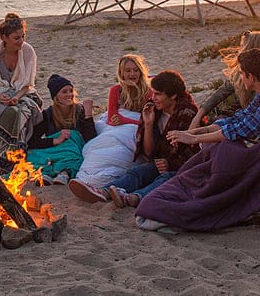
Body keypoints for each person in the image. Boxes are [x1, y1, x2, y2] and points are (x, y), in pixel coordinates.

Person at [135, 49, 260, 231]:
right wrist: (192, 134)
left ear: (251, 77)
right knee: (219, 154)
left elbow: (240, 130)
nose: (240, 77)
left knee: (226, 156)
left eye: (242, 73)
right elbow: (236, 120)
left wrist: (191, 139)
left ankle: (196, 205)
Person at [70, 71, 199, 205]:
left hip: (182, 167)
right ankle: (104, 192)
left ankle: (133, 198)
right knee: (137, 171)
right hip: (160, 163)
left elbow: (193, 155)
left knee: (165, 179)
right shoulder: (153, 109)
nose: (153, 97)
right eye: (153, 93)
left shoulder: (187, 114)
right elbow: (149, 152)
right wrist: (148, 125)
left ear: (173, 95)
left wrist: (169, 164)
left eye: (158, 94)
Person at [189, 31, 260, 130]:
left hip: (258, 121)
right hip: (244, 115)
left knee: (214, 132)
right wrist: (198, 116)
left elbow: (254, 118)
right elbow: (220, 93)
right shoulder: (240, 73)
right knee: (213, 127)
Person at [0, 13, 44, 158]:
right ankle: (0, 152)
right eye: (16, 38)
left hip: (23, 93)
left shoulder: (28, 51)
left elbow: (27, 83)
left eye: (23, 36)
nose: (21, 41)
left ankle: (16, 151)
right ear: (4, 38)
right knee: (5, 110)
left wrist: (16, 97)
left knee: (20, 111)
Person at [26, 74, 97, 185]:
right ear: (56, 96)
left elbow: (91, 139)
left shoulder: (80, 110)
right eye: (64, 92)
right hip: (55, 151)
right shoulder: (48, 114)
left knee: (73, 138)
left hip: (73, 151)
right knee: (31, 156)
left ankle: (64, 173)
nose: (69, 94)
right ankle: (48, 173)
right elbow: (32, 141)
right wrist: (56, 140)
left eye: (71, 91)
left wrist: (88, 114)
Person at [108, 54, 152, 126]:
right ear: (121, 73)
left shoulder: (147, 91)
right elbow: (111, 118)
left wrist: (124, 120)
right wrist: (114, 121)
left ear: (140, 72)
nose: (132, 74)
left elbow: (150, 123)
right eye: (128, 71)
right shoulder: (115, 90)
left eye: (136, 70)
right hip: (117, 127)